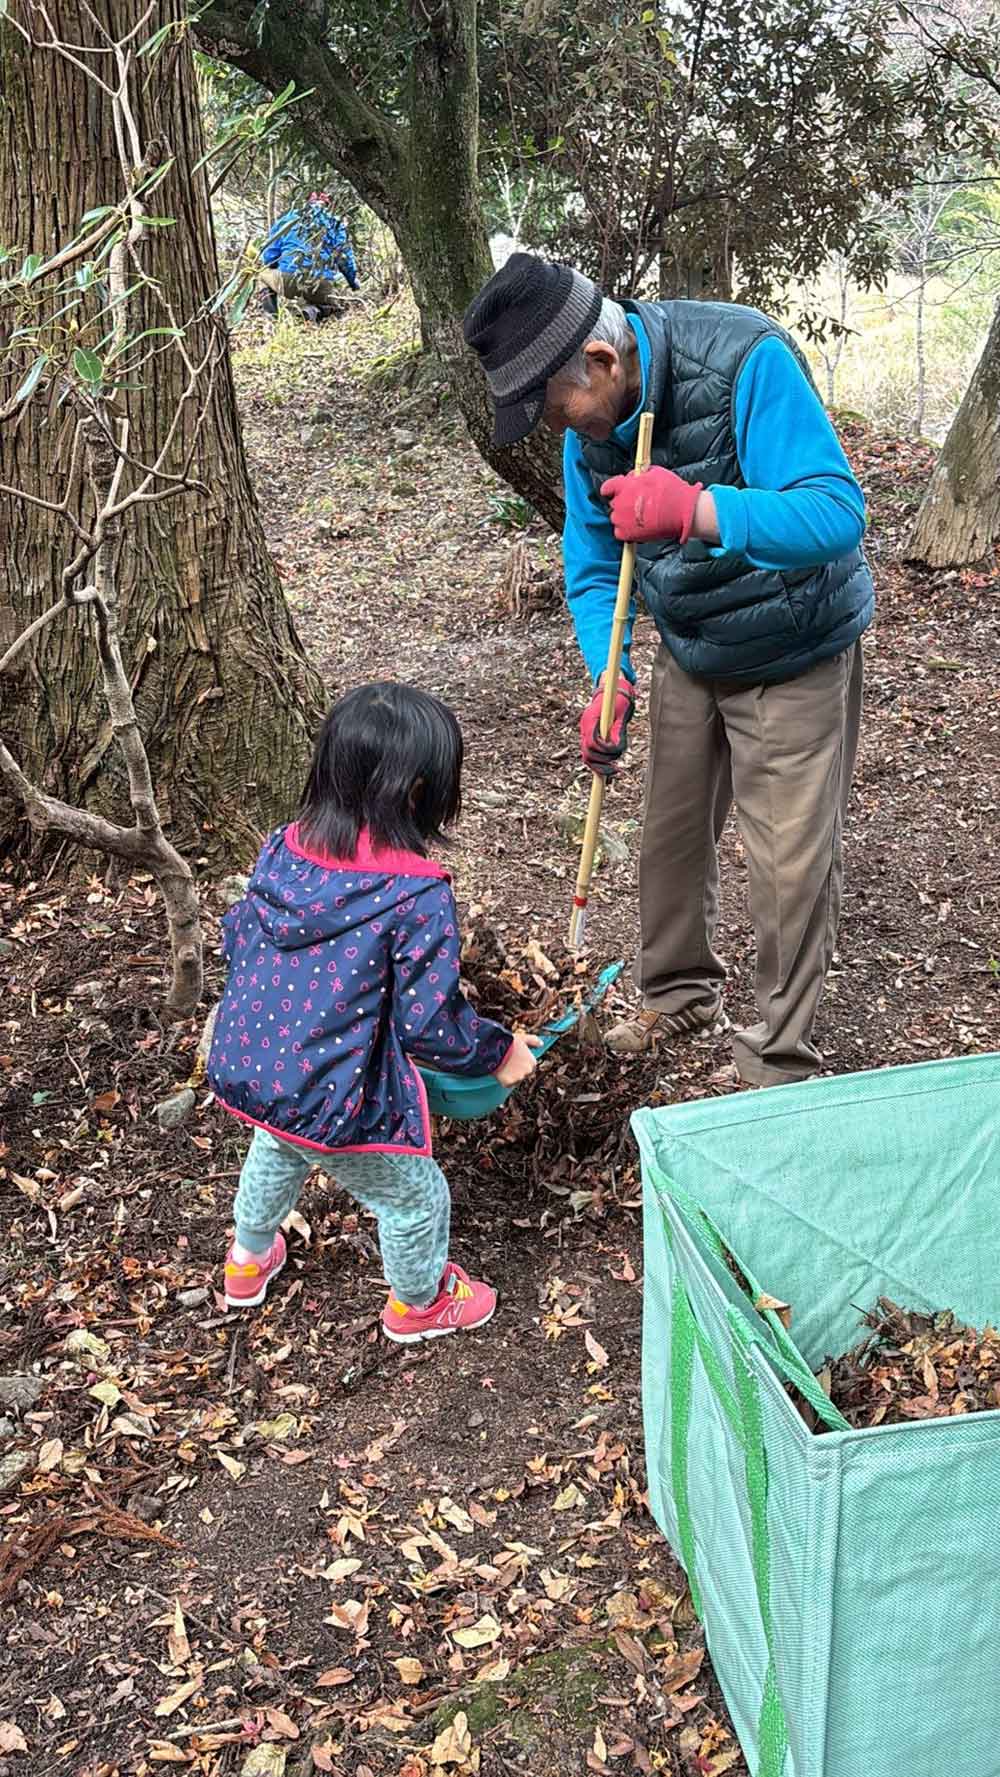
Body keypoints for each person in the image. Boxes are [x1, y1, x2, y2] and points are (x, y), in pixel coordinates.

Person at [462, 255, 875, 1089]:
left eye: (552, 408)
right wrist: (607, 673)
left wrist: (697, 508)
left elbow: (837, 511)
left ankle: (778, 1057)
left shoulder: (744, 360)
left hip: (793, 647)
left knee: (788, 865)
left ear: (603, 364)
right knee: (670, 838)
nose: (556, 429)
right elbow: (589, 568)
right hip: (692, 647)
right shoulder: (597, 428)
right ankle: (679, 991)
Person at [207, 682, 537, 1338]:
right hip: (335, 1092)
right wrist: (499, 1051)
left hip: (255, 1062)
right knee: (414, 1196)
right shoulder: (416, 896)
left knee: (278, 1141)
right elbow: (429, 1025)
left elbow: (239, 934)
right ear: (419, 791)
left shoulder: (284, 847)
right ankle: (420, 1303)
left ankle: (246, 1259)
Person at [258, 192, 360, 319]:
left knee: (262, 275)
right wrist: (353, 282)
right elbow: (344, 259)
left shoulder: (287, 219)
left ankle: (272, 317)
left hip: (288, 279)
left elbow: (269, 256)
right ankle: (317, 311)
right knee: (331, 306)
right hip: (322, 282)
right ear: (327, 204)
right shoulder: (335, 223)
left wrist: (279, 265)